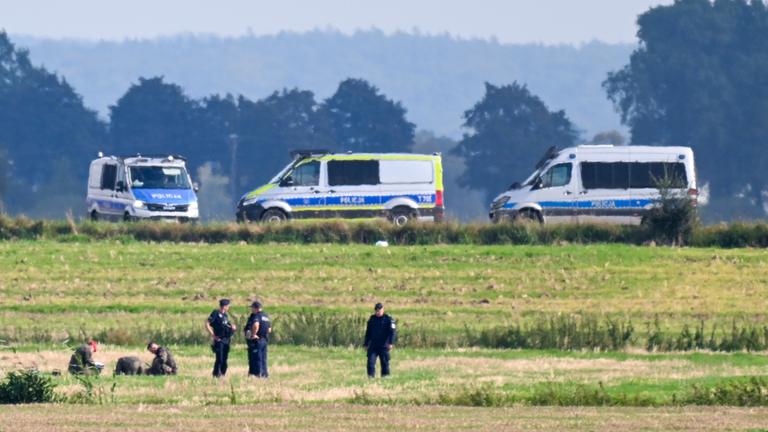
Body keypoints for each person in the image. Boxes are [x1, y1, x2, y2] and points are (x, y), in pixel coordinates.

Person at [364, 302, 396, 378]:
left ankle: (385, 377)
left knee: (385, 362)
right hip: (373, 345)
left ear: (383, 309)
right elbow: (368, 332)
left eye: (379, 310)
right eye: (376, 310)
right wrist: (366, 343)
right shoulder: (372, 319)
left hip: (384, 345)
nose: (378, 312)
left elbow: (392, 332)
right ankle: (370, 377)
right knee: (370, 362)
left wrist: (391, 343)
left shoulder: (388, 319)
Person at [206, 298, 236, 378]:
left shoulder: (225, 315)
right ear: (224, 306)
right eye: (228, 306)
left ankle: (222, 374)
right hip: (219, 339)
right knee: (220, 358)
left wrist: (232, 328)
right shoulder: (215, 313)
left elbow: (226, 325)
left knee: (225, 359)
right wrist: (213, 335)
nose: (228, 308)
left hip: (226, 340)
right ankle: (216, 374)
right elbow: (207, 324)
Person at [245, 301, 271, 377]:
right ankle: (264, 374)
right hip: (264, 340)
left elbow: (256, 325)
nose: (251, 310)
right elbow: (269, 329)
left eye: (252, 308)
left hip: (257, 340)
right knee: (263, 358)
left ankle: (258, 374)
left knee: (257, 357)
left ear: (255, 308)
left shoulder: (257, 316)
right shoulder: (265, 316)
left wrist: (253, 335)